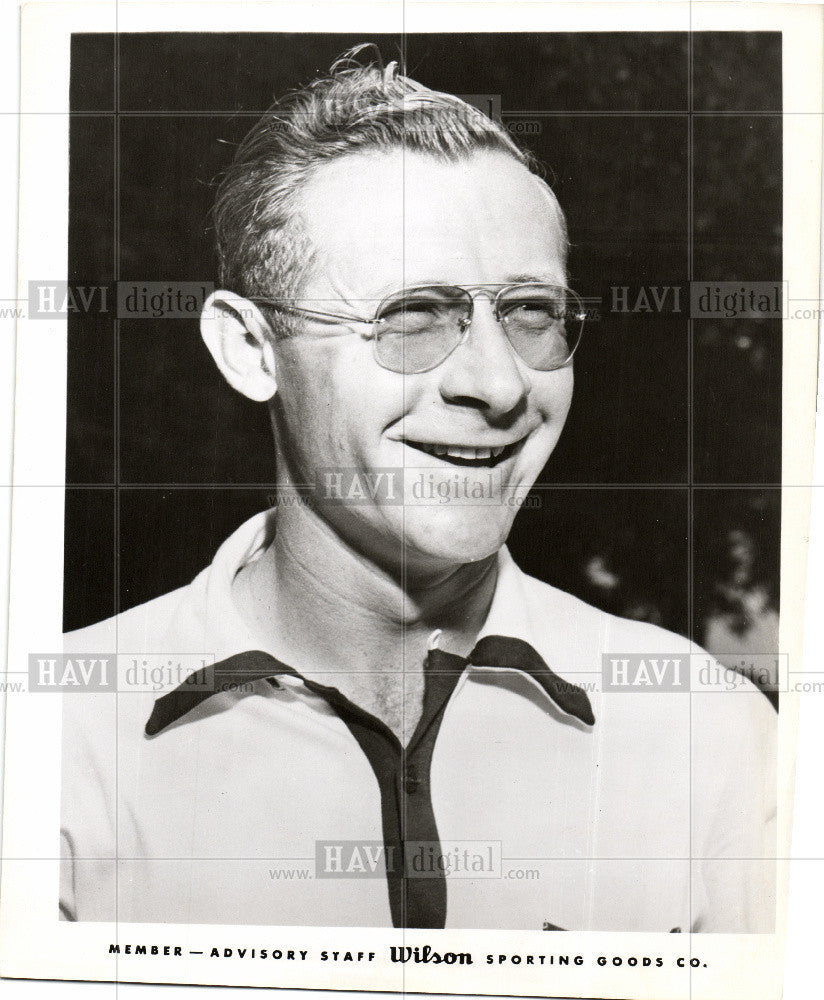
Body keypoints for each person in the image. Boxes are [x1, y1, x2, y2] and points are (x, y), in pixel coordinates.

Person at [60, 47, 776, 932]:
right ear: (250, 350)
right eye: (412, 316)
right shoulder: (63, 742)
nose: (499, 384)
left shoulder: (708, 738)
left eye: (531, 315)